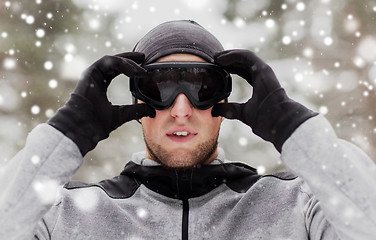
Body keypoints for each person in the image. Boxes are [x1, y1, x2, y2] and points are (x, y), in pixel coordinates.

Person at [0, 20, 375, 240]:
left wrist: (294, 129)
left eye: (202, 88)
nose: (181, 109)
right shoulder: (66, 215)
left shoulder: (298, 206)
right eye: (159, 88)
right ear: (137, 103)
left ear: (224, 104)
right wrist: (65, 135)